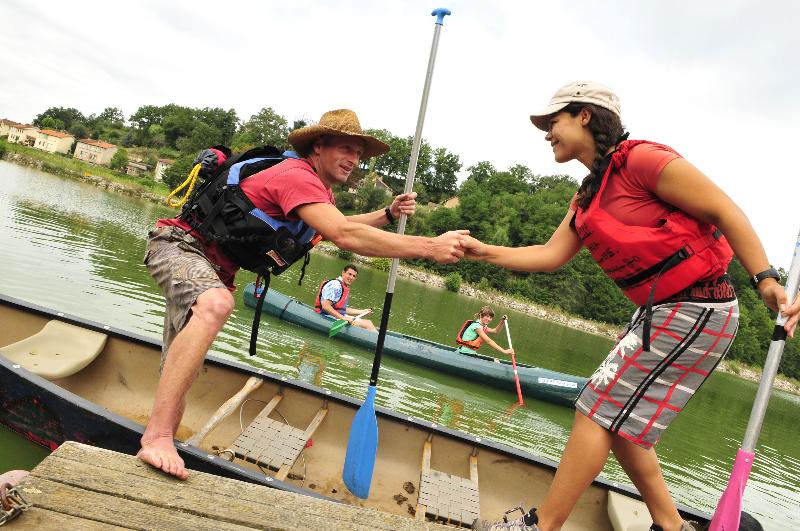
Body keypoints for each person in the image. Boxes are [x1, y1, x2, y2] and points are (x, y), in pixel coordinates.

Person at [467, 81, 796, 531]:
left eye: (553, 121)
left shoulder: (643, 160)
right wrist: (482, 250)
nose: (546, 132)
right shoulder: (588, 194)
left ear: (585, 115)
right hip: (660, 313)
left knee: (595, 408)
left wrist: (766, 280)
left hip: (698, 309)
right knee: (621, 422)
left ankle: (540, 526)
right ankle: (671, 525)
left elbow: (725, 210)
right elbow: (548, 255)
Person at [139, 109, 469, 480]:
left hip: (212, 268)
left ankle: (159, 437)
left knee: (183, 366)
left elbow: (335, 228)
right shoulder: (296, 176)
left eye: (359, 154)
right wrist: (429, 247)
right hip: (178, 247)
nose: (354, 160)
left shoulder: (316, 189)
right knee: (216, 305)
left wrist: (388, 214)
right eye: (346, 148)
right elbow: (345, 235)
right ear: (318, 146)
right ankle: (159, 436)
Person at [315, 264, 376, 331]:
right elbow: (325, 306)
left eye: (354, 276)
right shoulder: (336, 285)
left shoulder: (343, 286)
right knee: (367, 325)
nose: (351, 277)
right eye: (349, 274)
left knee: (368, 322)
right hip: (326, 316)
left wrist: (361, 312)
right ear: (343, 273)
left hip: (336, 316)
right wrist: (343, 318)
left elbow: (341, 309)